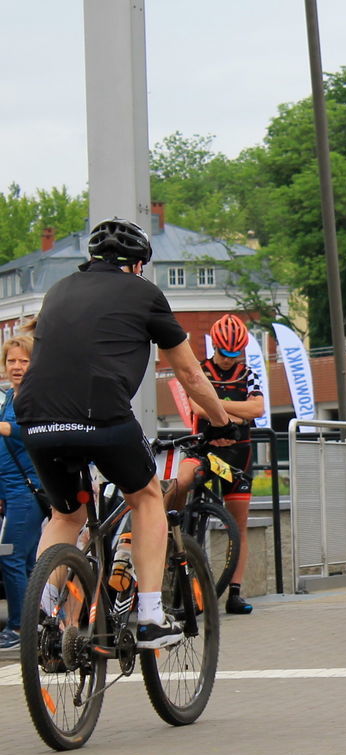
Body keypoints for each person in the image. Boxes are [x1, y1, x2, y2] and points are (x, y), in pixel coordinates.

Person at [16, 217, 235, 649]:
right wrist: (222, 421)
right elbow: (191, 374)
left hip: (36, 418)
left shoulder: (58, 291)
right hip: (101, 416)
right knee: (147, 497)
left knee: (65, 516)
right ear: (138, 265)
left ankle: (42, 616)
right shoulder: (145, 294)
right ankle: (151, 617)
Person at [173, 314, 265, 615]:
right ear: (214, 347)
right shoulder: (199, 371)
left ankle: (235, 592)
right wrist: (237, 414)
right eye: (224, 353)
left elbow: (258, 409)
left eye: (235, 354)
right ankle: (171, 530)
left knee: (238, 525)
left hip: (238, 453)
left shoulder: (248, 373)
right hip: (204, 448)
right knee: (181, 481)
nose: (229, 359)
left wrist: (217, 406)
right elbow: (196, 407)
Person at [0, 335, 45, 648]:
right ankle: (40, 623)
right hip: (12, 492)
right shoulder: (8, 396)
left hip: (27, 491)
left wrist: (4, 427)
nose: (16, 366)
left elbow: (33, 431)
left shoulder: (36, 397)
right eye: (11, 361)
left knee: (11, 557)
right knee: (26, 561)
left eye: (23, 361)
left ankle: (19, 628)